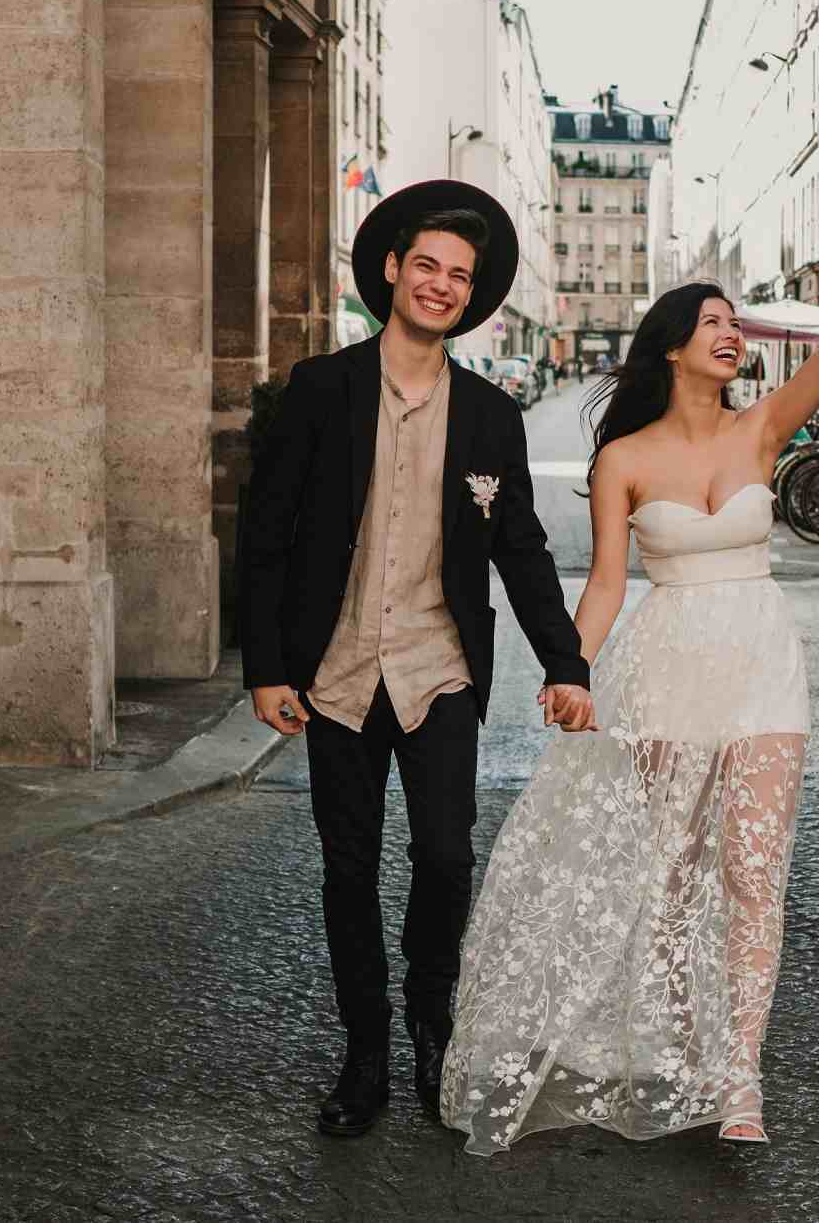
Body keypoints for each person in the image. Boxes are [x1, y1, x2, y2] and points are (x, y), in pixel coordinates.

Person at [438, 213, 819, 1154]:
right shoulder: (622, 461)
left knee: (755, 874)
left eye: (736, 322)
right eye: (713, 320)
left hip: (762, 660)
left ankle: (740, 1073)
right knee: (672, 877)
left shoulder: (763, 428)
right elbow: (600, 584)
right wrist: (569, 669)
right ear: (673, 346)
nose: (733, 333)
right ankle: (680, 1041)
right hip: (667, 665)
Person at [240, 179, 598, 1140]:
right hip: (338, 676)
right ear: (392, 270)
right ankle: (364, 1052)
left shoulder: (490, 415)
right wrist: (266, 667)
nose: (440, 285)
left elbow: (520, 546)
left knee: (444, 854)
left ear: (471, 295)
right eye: (427, 265)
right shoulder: (322, 390)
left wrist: (566, 664)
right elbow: (265, 533)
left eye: (459, 276)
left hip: (439, 671)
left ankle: (431, 1017)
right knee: (346, 869)